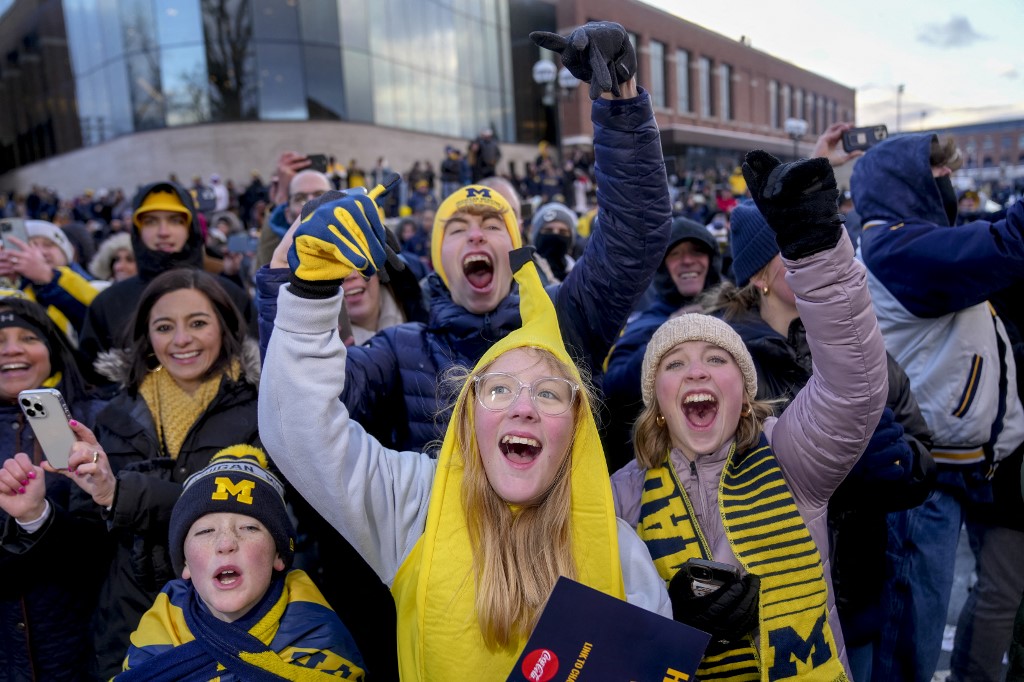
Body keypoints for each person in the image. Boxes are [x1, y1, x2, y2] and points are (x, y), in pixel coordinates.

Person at [256, 21, 668, 679]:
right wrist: (299, 289)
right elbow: (305, 417)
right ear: (437, 256)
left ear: (578, 409)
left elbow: (633, 239)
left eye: (548, 390)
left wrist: (620, 107)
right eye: (460, 226)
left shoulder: (566, 328)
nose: (522, 408)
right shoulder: (401, 361)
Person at [611, 150, 888, 679]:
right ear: (657, 403)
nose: (697, 372)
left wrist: (815, 250)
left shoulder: (791, 459)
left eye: (717, 360)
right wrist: (667, 618)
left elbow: (854, 387)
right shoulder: (617, 497)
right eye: (675, 364)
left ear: (744, 390)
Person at [712, 200, 936, 680]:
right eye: (787, 252)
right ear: (759, 276)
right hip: (777, 605)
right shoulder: (725, 363)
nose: (804, 258)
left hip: (858, 593)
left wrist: (896, 462)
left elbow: (921, 457)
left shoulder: (860, 346)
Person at [853, 133, 1024, 682]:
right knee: (910, 635)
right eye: (939, 175)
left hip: (951, 465)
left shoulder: (912, 244)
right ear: (907, 185)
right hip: (924, 479)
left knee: (916, 627)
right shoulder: (898, 248)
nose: (949, 185)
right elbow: (1010, 245)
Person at [70, 268, 262, 678]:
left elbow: (247, 509)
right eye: (164, 327)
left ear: (225, 327)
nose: (181, 340)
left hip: (235, 622)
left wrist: (119, 494)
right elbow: (86, 532)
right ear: (147, 336)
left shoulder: (263, 410)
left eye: (197, 323)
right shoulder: (115, 414)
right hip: (126, 622)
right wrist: (69, 494)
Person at [118, 445, 365, 680]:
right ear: (185, 564)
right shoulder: (154, 634)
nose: (226, 543)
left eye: (248, 528)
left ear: (278, 556)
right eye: (205, 531)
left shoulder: (319, 635)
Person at [0, 297, 109, 681]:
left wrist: (37, 518)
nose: (11, 348)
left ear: (52, 350)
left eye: (28, 337)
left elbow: (108, 548)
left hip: (84, 648)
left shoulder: (97, 420)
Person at [79, 181, 256, 374]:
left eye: (175, 220)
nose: (163, 232)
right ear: (137, 231)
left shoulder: (228, 294)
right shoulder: (109, 303)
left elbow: (256, 368)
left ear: (191, 227)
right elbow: (92, 385)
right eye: (151, 221)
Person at [604, 216, 724, 468]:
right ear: (662, 267)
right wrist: (667, 333)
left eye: (697, 251)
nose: (687, 260)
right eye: (676, 254)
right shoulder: (647, 321)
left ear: (712, 260)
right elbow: (614, 386)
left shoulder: (735, 313)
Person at [0, 219, 101, 341]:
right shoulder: (15, 290)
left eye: (48, 245)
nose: (40, 252)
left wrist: (49, 278)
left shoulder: (98, 286)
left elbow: (100, 320)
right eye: (31, 245)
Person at [256, 163, 332, 268]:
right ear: (287, 214)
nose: (310, 203)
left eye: (320, 195)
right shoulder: (278, 259)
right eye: (299, 198)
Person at [529, 201, 578, 284]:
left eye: (563, 232)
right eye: (548, 231)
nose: (555, 235)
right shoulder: (522, 275)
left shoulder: (580, 276)